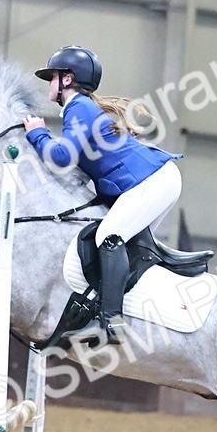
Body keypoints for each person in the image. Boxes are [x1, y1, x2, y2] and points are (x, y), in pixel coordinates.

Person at [23, 46, 183, 344]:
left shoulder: (79, 107)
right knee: (130, 249)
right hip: (158, 179)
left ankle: (111, 322)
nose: (49, 84)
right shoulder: (79, 108)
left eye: (53, 77)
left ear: (67, 80)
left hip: (152, 180)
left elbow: (61, 157)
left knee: (109, 238)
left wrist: (37, 134)